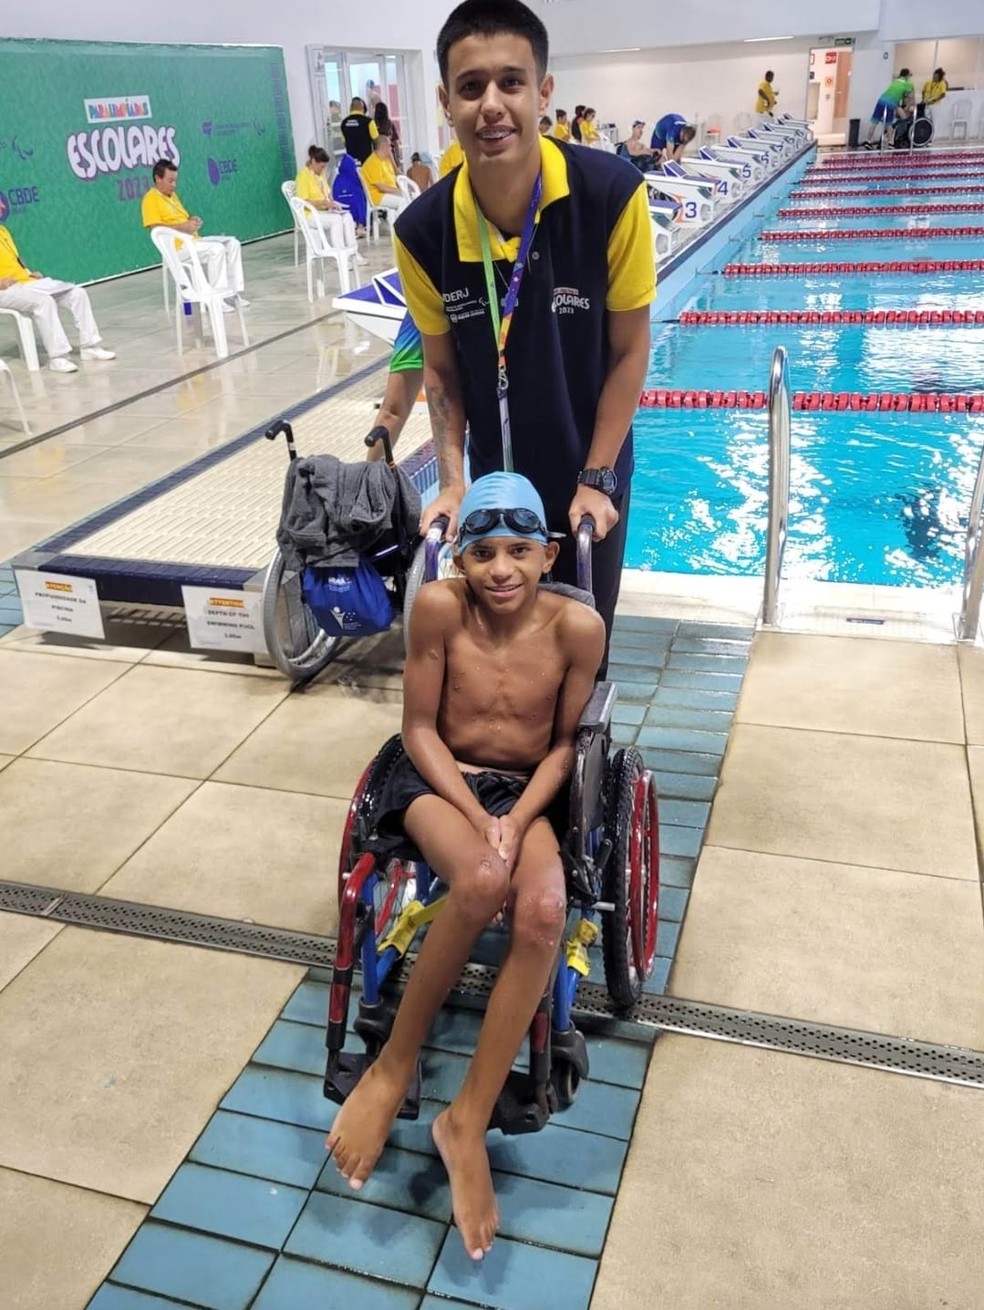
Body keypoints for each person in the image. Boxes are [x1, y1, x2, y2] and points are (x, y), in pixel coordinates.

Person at [326, 469, 605, 1262]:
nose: (501, 570)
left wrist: (514, 818)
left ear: (549, 555)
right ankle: (393, 1065)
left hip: (527, 791)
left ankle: (467, 1120)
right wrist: (481, 820)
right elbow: (418, 729)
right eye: (483, 554)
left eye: (519, 551)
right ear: (460, 560)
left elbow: (564, 746)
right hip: (436, 779)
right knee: (482, 880)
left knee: (543, 912)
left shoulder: (578, 630)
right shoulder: (440, 609)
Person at [392, 0, 655, 653]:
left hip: (589, 471)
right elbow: (441, 370)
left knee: (580, 650)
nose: (491, 105)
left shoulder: (611, 196)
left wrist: (597, 477)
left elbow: (629, 351)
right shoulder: (423, 232)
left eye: (510, 82)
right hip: (495, 484)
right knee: (496, 656)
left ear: (543, 92)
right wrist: (453, 483)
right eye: (470, 86)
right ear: (446, 102)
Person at [0, 225, 116, 373]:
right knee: (44, 302)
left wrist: (28, 272)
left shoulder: (3, 230)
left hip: (24, 282)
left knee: (77, 293)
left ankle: (90, 347)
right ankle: (58, 357)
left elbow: (14, 259)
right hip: (4, 289)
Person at [141, 159, 248, 311]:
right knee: (216, 250)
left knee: (233, 244)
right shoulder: (150, 199)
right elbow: (156, 229)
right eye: (170, 181)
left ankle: (232, 293)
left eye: (175, 181)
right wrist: (183, 228)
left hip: (194, 240)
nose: (174, 185)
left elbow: (183, 217)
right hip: (177, 248)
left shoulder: (172, 196)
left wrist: (192, 220)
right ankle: (216, 300)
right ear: (158, 178)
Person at [365, 310, 424, 462]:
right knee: (392, 414)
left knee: (392, 414)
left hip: (427, 314)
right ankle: (369, 474)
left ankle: (370, 473)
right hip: (424, 314)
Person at [295, 146, 367, 258]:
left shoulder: (320, 175)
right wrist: (323, 203)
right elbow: (303, 202)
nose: (323, 169)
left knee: (347, 216)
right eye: (321, 166)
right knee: (336, 220)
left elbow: (327, 194)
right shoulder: (303, 176)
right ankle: (341, 256)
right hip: (310, 214)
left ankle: (353, 253)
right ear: (313, 161)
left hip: (324, 211)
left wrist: (332, 204)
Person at [865, 69, 915, 147]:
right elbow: (910, 97)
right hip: (890, 103)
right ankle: (891, 143)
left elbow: (896, 93)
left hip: (881, 100)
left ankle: (868, 141)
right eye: (909, 75)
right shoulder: (908, 84)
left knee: (874, 121)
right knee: (889, 123)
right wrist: (909, 106)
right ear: (907, 75)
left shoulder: (895, 81)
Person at [362, 133, 408, 216]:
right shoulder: (373, 162)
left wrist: (392, 158)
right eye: (390, 146)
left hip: (389, 193)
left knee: (412, 197)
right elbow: (381, 187)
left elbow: (396, 175)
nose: (391, 148)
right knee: (403, 202)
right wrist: (399, 191)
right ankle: (401, 223)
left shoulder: (385, 160)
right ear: (383, 147)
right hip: (378, 196)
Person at [332, 153, 369, 230]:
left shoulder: (337, 179)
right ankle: (360, 225)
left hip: (339, 206)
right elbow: (363, 190)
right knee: (359, 198)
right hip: (352, 206)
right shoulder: (355, 178)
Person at [340, 97, 378, 164]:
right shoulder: (369, 122)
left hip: (352, 161)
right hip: (366, 161)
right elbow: (377, 141)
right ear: (362, 108)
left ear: (350, 108)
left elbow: (344, 142)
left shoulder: (344, 123)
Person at [374, 102, 402, 172]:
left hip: (377, 154)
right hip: (390, 154)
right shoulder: (389, 124)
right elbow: (395, 142)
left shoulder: (373, 124)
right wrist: (397, 157)